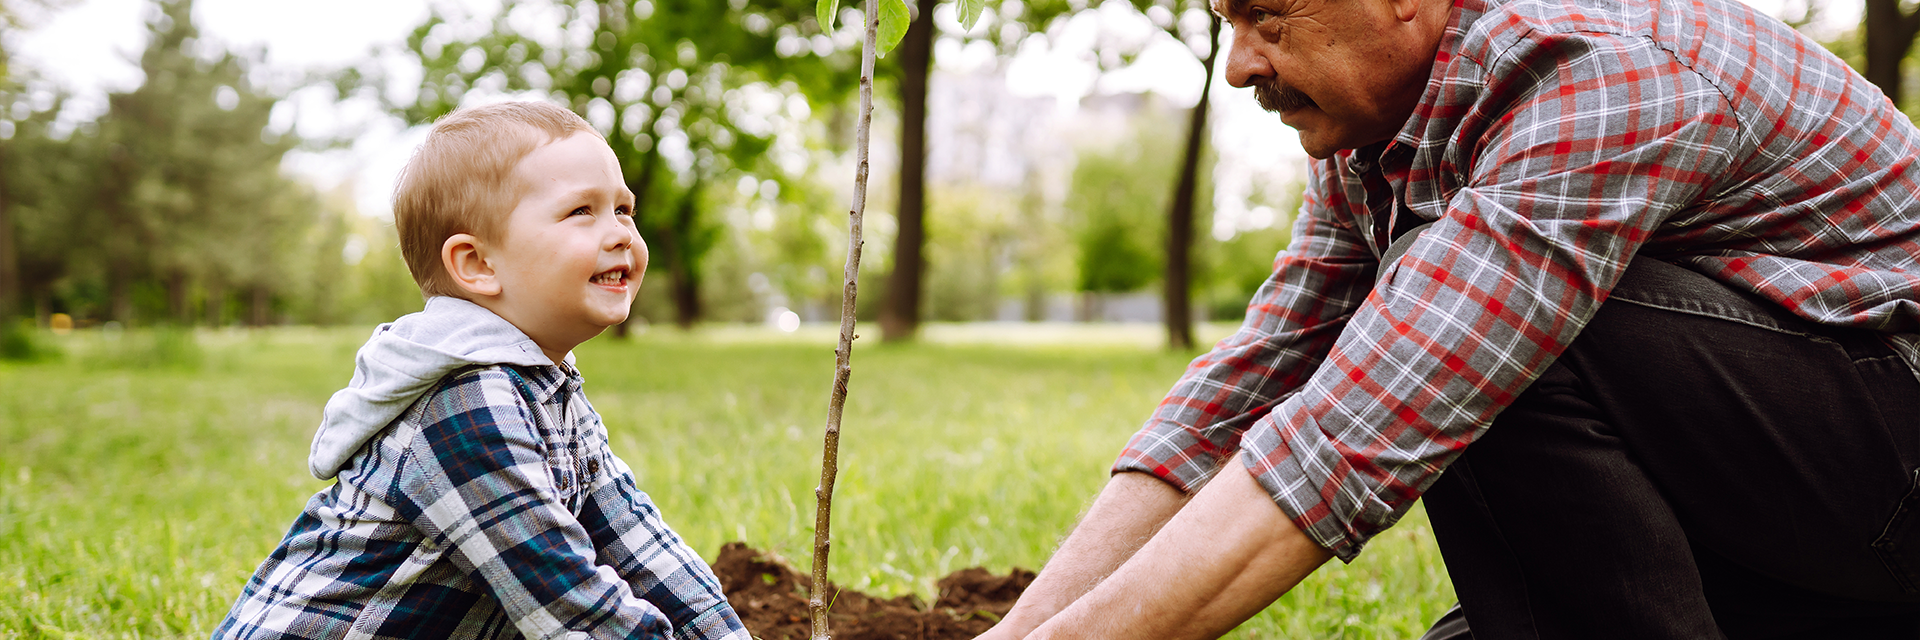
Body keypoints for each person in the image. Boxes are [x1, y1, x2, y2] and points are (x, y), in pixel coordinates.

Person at [979, 0, 1920, 636]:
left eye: (1271, 16)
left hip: (1894, 473)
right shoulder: (1385, 132)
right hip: (1803, 483)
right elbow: (1247, 388)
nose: (1240, 67)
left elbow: (1359, 427)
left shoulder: (1595, 75)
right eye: (1229, 19)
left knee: (1482, 333)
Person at [213, 102, 748, 640]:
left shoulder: (547, 386)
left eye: (623, 209)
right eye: (581, 211)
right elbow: (567, 603)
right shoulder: (464, 402)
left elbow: (639, 545)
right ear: (477, 264)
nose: (620, 234)